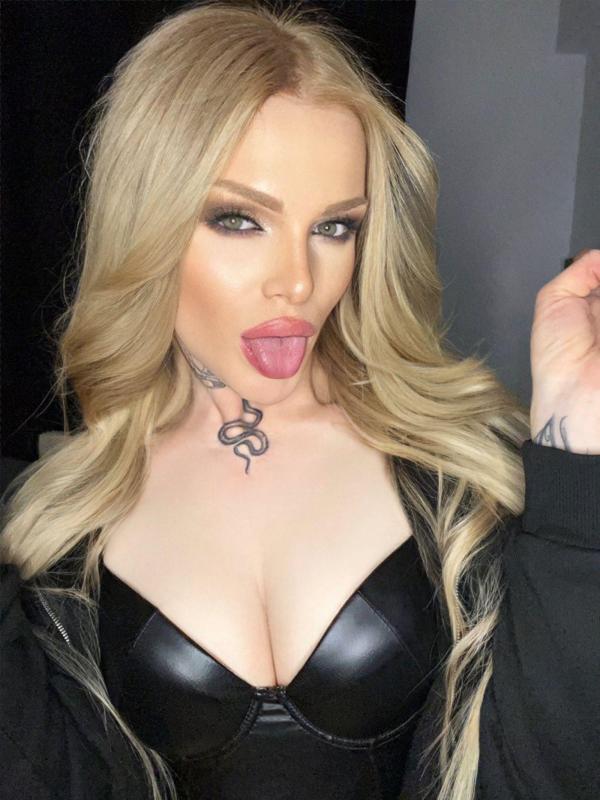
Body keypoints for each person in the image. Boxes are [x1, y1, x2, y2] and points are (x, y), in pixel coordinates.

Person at [1, 2, 599, 799]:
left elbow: (551, 766)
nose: (298, 281)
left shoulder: (459, 474)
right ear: (147, 223)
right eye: (239, 220)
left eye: (335, 228)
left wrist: (579, 456)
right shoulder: (60, 525)